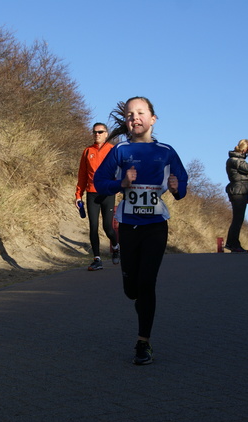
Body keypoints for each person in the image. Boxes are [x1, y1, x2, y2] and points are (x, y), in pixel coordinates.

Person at [94, 96, 188, 365]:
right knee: (131, 288)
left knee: (147, 282)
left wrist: (175, 187)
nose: (134, 117)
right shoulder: (120, 151)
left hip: (156, 226)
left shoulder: (166, 151)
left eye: (140, 113)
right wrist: (121, 183)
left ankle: (143, 342)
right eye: (129, 114)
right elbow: (100, 181)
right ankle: (135, 294)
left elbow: (182, 182)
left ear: (152, 119)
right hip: (129, 225)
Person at [75, 123, 120, 271]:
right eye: (95, 132)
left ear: (106, 134)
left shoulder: (113, 150)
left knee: (108, 227)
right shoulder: (87, 151)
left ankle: (116, 246)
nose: (97, 134)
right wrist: (78, 195)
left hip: (107, 193)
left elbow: (121, 172)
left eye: (100, 132)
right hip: (92, 193)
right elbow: (82, 175)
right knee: (93, 227)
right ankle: (97, 259)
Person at [224, 139, 248, 253]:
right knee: (237, 219)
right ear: (245, 149)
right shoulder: (235, 160)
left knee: (238, 219)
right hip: (238, 192)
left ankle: (233, 242)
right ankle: (233, 244)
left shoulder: (238, 161)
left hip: (241, 192)